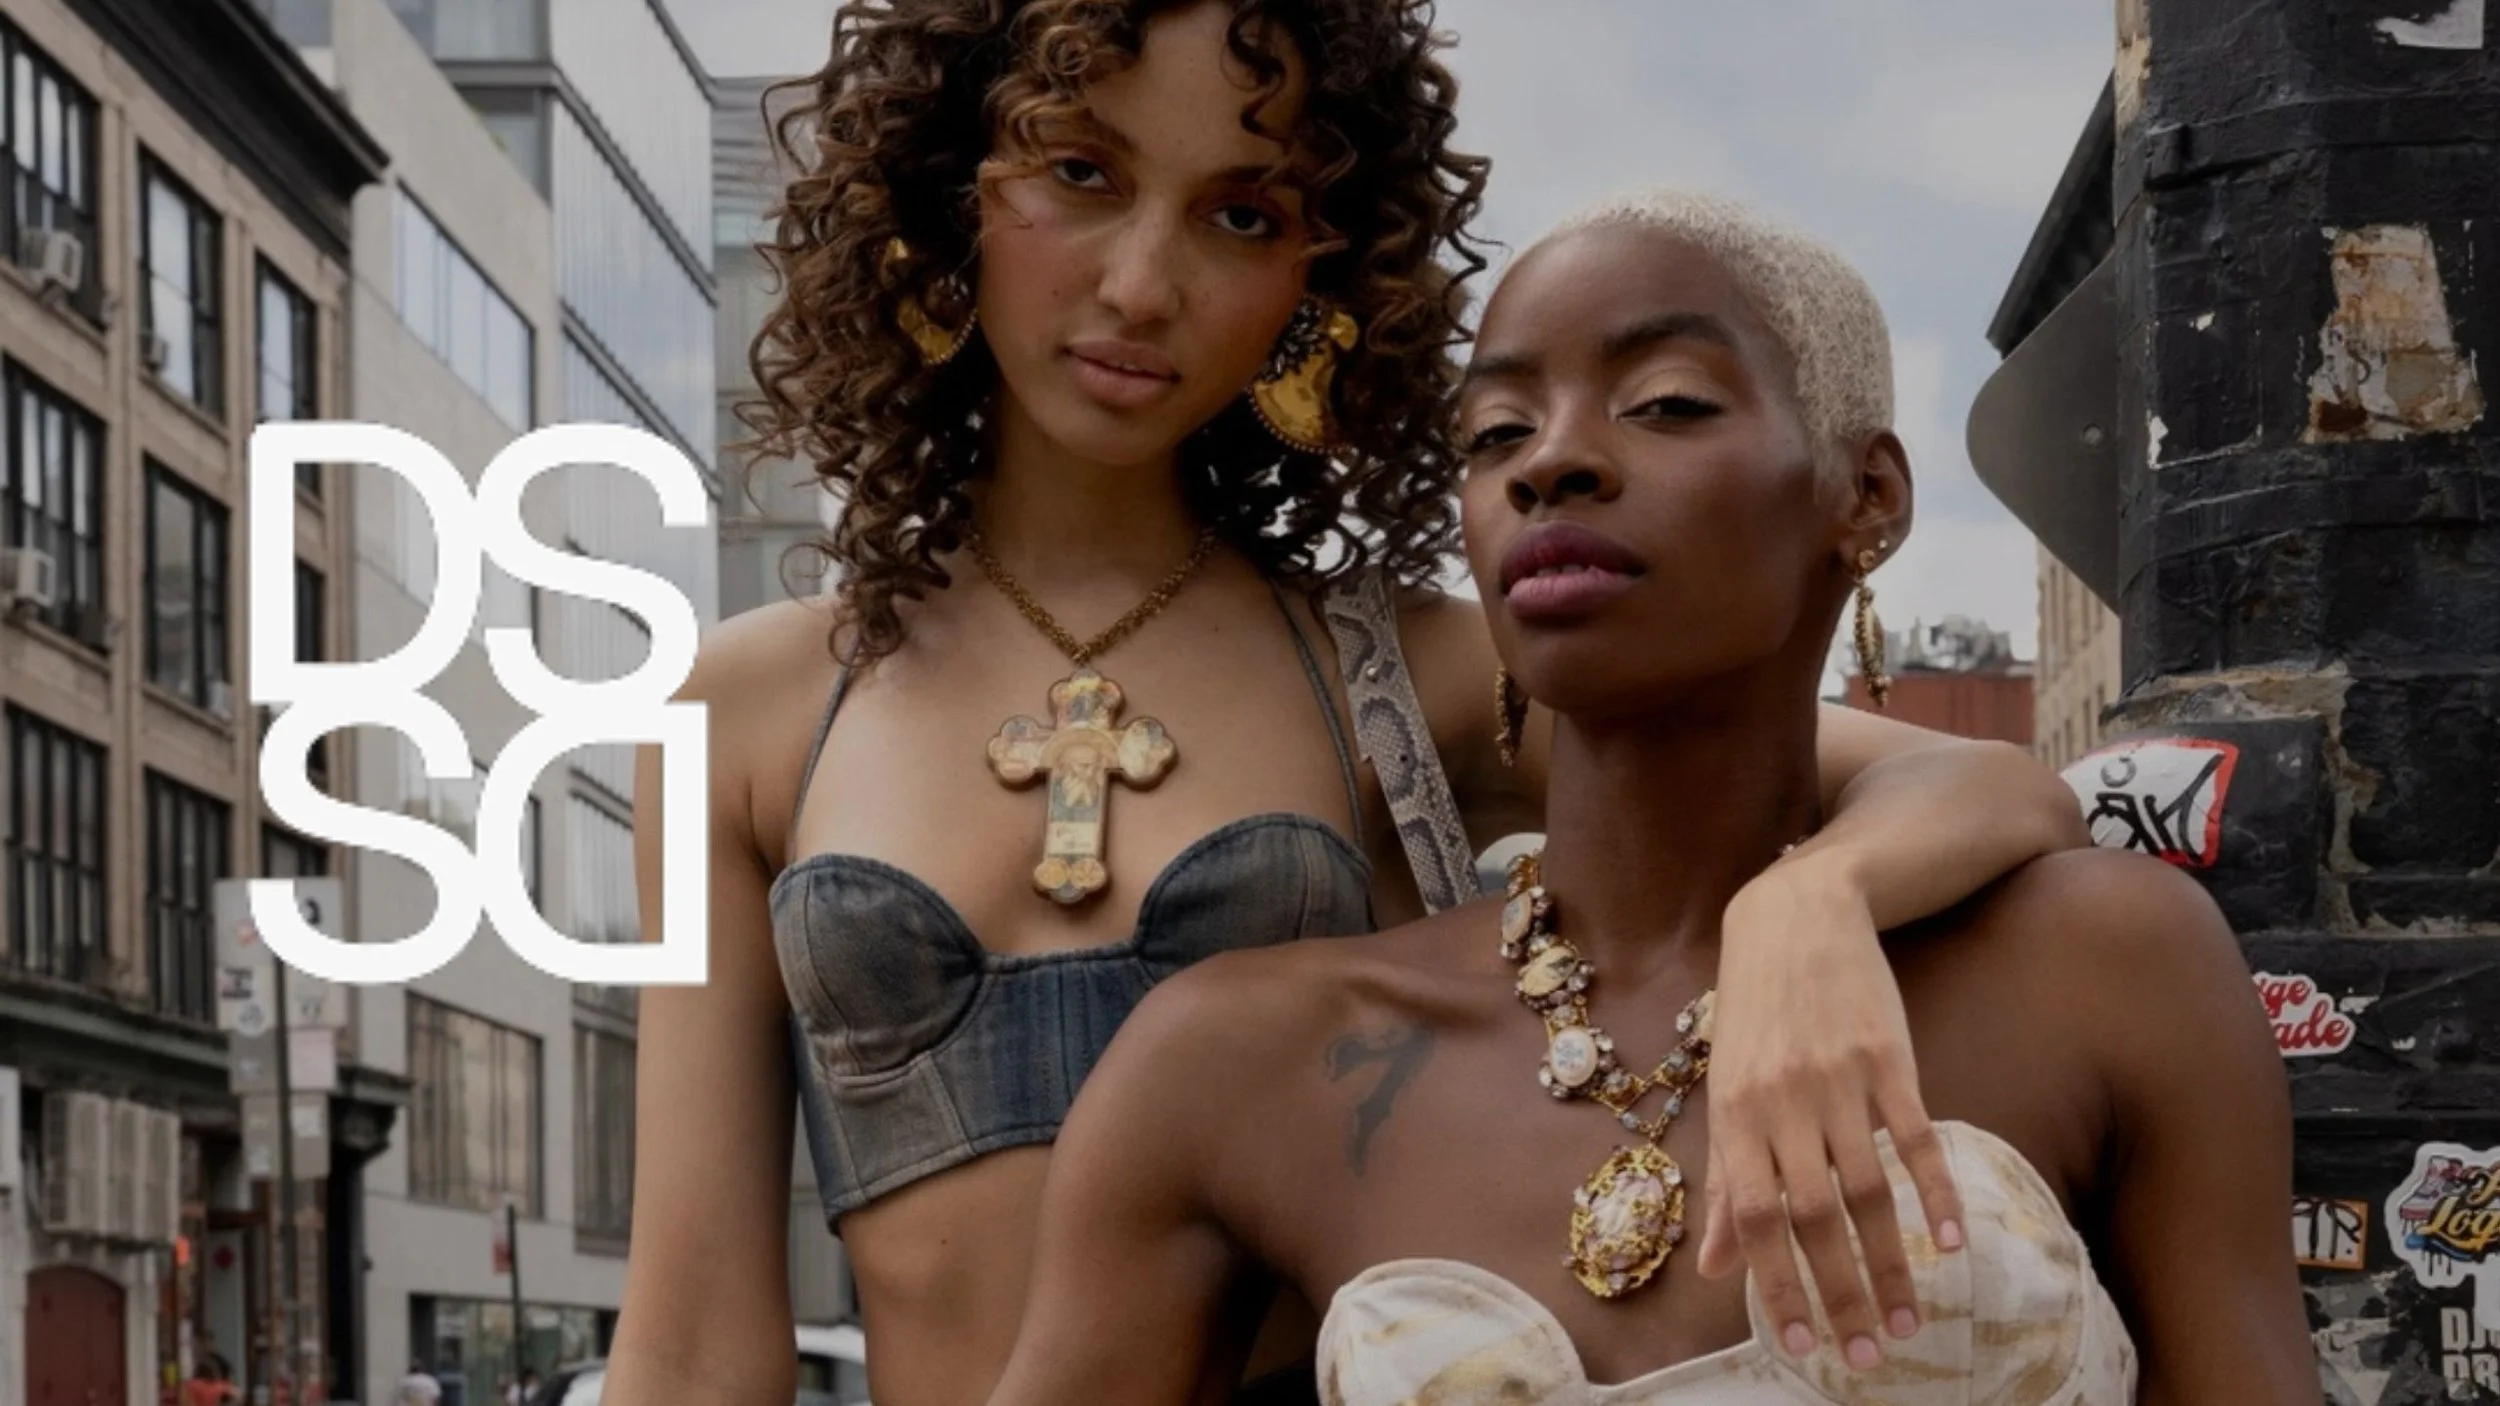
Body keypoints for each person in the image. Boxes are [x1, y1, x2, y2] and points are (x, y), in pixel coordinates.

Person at [609, 5, 2090, 1405]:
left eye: (1239, 214)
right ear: (944, 187)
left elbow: (2000, 790)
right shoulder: (733, 714)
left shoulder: (1409, 674)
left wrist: (1810, 905)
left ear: (1322, 282)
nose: (1140, 283)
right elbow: (686, 1346)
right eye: (1079, 173)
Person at [983, 189, 2322, 1404]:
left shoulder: (2102, 968)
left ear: (1866, 493)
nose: (1549, 461)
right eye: (1495, 430)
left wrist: (1812, 897)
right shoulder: (1240, 1061)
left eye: (1668, 402)